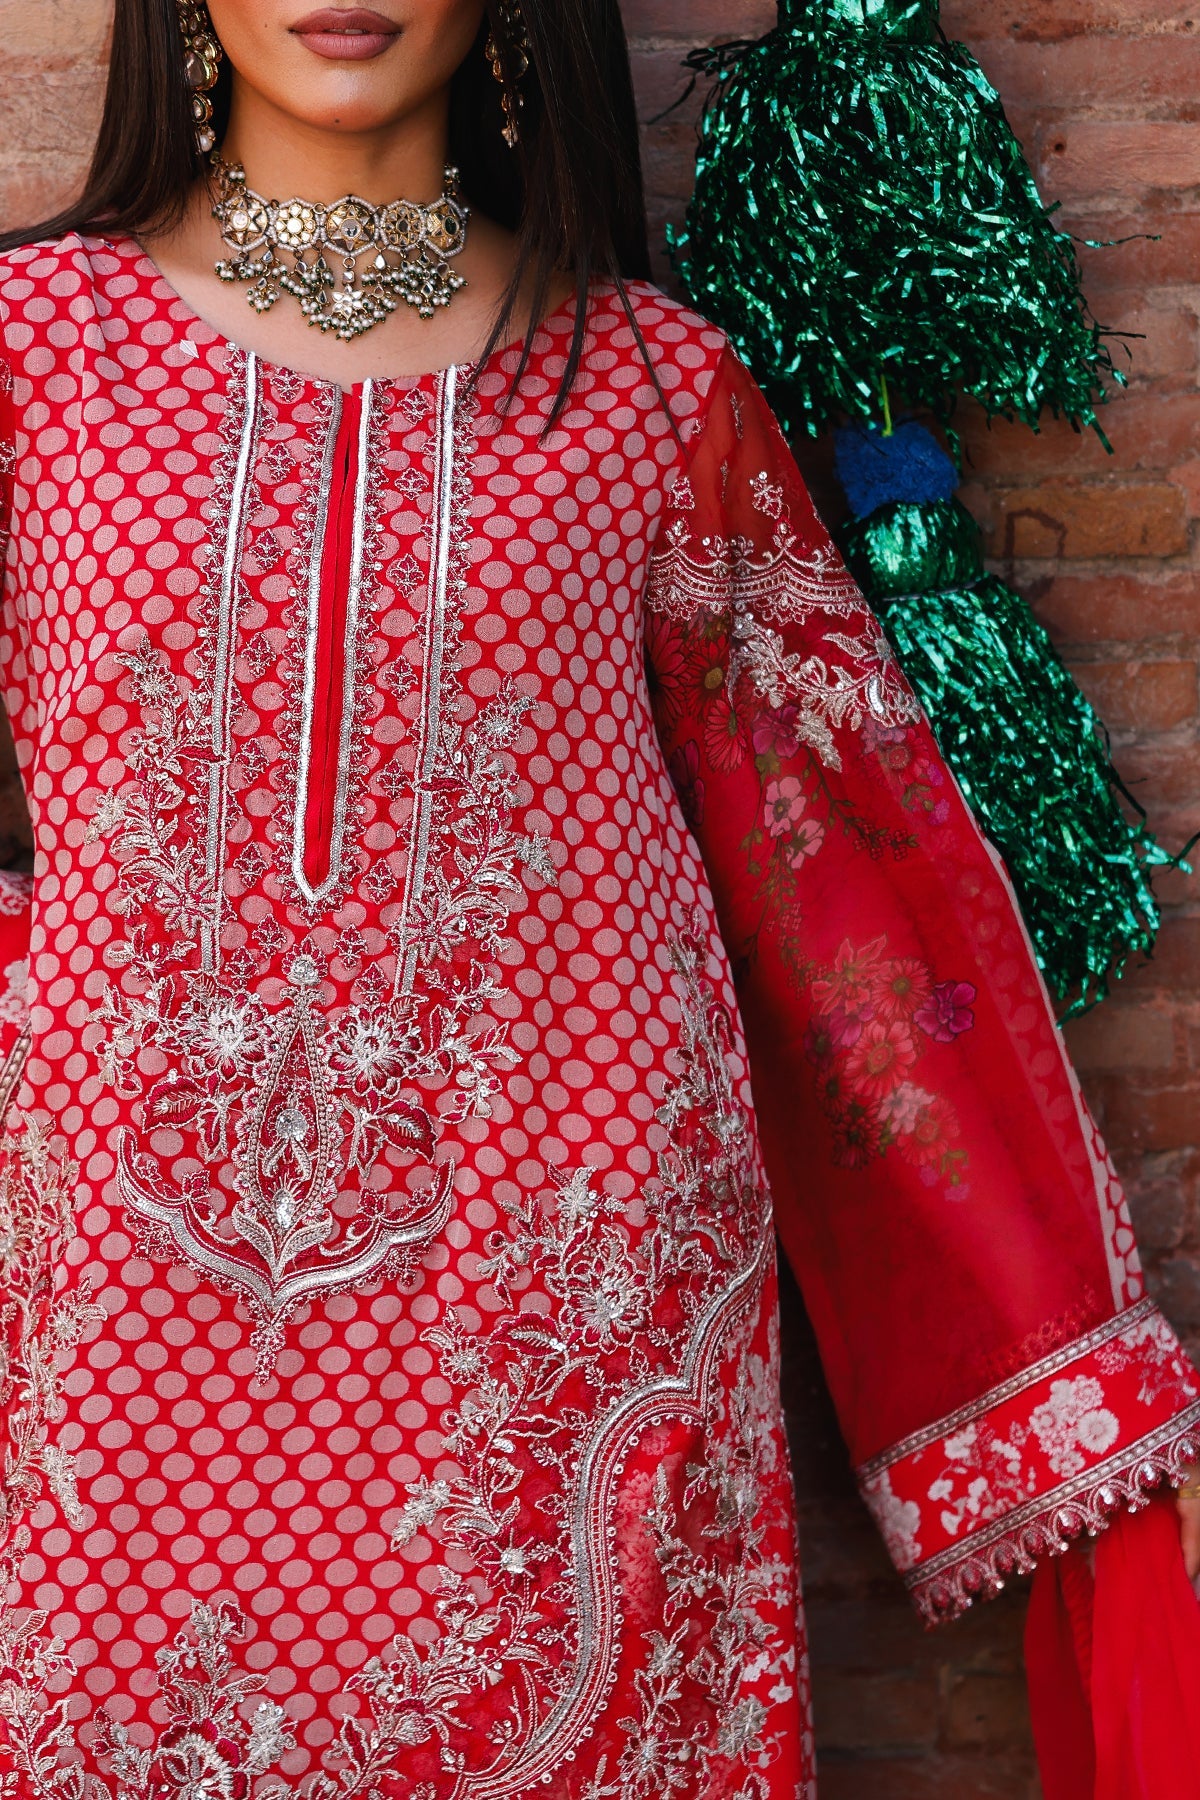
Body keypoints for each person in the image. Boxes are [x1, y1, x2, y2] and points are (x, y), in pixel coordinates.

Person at [0, 4, 1198, 1796]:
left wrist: (1078, 1384)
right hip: (121, 1337)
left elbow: (845, 900)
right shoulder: (31, 349)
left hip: (560, 1341)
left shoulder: (648, 387)